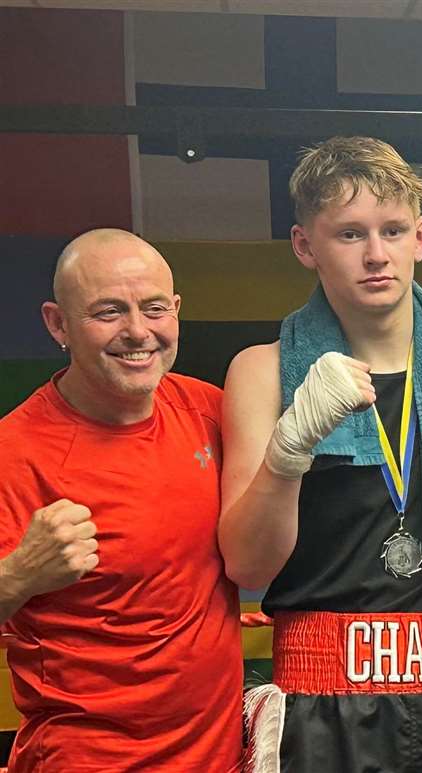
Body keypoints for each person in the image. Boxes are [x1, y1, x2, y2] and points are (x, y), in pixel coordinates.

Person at [218, 136, 422, 771]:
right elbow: (247, 564)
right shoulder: (264, 373)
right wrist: (289, 445)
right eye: (350, 234)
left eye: (393, 230)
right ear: (307, 246)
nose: (377, 254)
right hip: (322, 700)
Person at [0, 229, 241, 771]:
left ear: (176, 310)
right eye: (108, 312)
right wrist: (18, 575)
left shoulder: (210, 412)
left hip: (220, 757)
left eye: (154, 308)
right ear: (57, 323)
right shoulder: (14, 453)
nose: (138, 332)